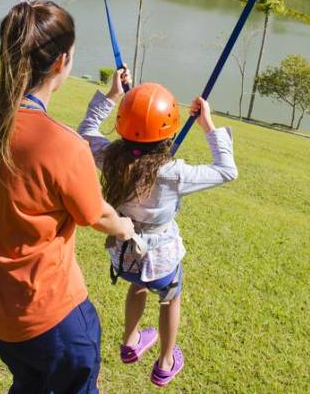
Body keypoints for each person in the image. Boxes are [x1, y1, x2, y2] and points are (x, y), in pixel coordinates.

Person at [0, 0, 135, 393]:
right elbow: (97, 215)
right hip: (51, 320)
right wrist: (126, 227)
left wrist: (110, 97)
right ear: (62, 61)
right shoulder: (62, 144)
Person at [77, 69, 238, 387]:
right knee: (169, 297)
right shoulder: (173, 172)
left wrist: (112, 96)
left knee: (136, 285)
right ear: (169, 131)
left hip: (123, 257)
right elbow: (226, 170)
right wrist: (207, 124)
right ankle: (165, 362)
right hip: (160, 260)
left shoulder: (109, 156)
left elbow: (85, 132)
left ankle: (130, 341)